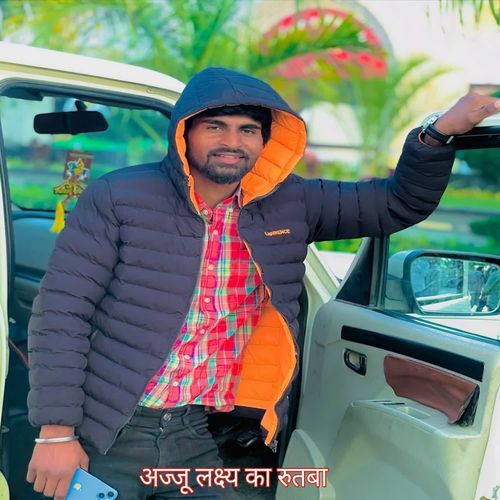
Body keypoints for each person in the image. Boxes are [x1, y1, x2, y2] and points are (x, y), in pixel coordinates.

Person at [26, 66, 499, 500]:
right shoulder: (119, 196)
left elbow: (397, 204)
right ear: (184, 132)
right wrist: (56, 433)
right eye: (216, 127)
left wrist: (437, 133)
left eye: (248, 130)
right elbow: (63, 314)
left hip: (206, 434)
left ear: (267, 140)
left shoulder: (293, 203)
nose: (232, 142)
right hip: (112, 428)